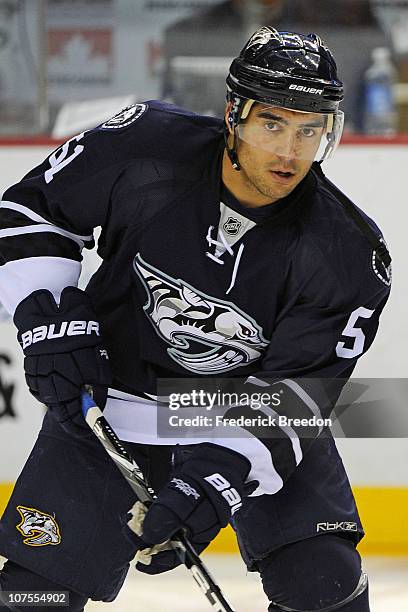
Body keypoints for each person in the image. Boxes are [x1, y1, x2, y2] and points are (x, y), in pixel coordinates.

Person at [0, 27, 391, 611]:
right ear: (234, 114)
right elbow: (30, 211)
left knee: (322, 583)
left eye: (311, 129)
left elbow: (297, 396)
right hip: (113, 398)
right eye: (273, 124)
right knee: (34, 598)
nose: (290, 151)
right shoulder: (143, 145)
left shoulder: (347, 252)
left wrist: (214, 481)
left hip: (239, 411)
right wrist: (49, 318)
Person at [162, 0, 388, 130]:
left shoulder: (331, 20)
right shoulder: (191, 30)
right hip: (218, 141)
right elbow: (174, 103)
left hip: (305, 141)